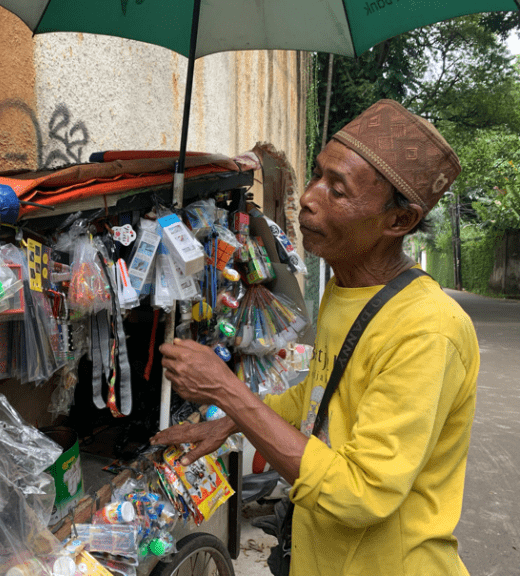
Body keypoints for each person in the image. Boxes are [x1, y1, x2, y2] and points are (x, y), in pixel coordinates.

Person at [151, 99, 479, 575]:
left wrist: (229, 392)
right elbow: (318, 398)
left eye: (338, 191)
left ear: (399, 221)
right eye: (318, 174)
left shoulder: (427, 329)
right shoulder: (346, 288)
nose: (309, 197)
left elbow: (360, 494)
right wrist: (230, 422)